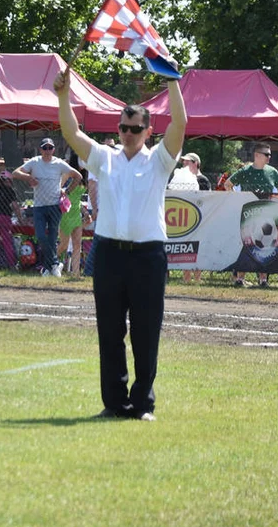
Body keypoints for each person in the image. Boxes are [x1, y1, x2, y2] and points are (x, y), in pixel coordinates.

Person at [55, 68, 187, 423]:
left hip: (148, 256)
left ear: (148, 131)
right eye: (123, 128)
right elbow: (71, 132)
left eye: (135, 129)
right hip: (110, 253)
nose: (127, 134)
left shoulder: (160, 159)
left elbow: (181, 123)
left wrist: (172, 80)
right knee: (110, 331)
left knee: (145, 331)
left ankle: (142, 404)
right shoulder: (104, 157)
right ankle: (114, 403)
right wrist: (63, 96)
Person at [14, 138, 82, 277]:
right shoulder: (34, 162)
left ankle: (48, 267)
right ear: (40, 150)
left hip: (55, 207)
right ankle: (55, 264)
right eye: (45, 148)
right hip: (39, 207)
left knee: (52, 238)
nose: (47, 151)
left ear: (54, 150)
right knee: (40, 236)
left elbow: (78, 176)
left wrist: (66, 191)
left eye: (50, 148)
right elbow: (16, 173)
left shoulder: (59, 163)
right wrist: (29, 178)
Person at [223, 144, 278, 287]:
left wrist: (276, 202)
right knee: (247, 244)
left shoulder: (272, 172)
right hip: (249, 214)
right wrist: (238, 200)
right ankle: (240, 278)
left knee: (265, 245)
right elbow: (227, 184)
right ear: (257, 155)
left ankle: (263, 279)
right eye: (266, 154)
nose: (270, 157)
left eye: (270, 154)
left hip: (266, 214)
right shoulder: (245, 171)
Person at [57, 158, 88, 277]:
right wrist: (65, 191)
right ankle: (50, 263)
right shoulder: (68, 173)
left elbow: (78, 200)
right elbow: (59, 188)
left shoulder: (84, 177)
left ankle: (76, 273)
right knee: (63, 245)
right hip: (66, 213)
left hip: (76, 214)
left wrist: (85, 212)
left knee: (77, 245)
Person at [181, 153, 209, 284]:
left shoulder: (202, 179)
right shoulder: (179, 178)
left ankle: (197, 278)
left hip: (200, 220)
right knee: (184, 247)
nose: (184, 165)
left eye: (188, 162)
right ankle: (186, 278)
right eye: (183, 162)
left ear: (196, 163)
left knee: (199, 248)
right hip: (183, 219)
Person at [0, 170, 22, 270]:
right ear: (7, 180)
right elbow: (15, 206)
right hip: (5, 218)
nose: (10, 183)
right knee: (7, 242)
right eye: (10, 181)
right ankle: (12, 265)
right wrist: (20, 219)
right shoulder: (10, 191)